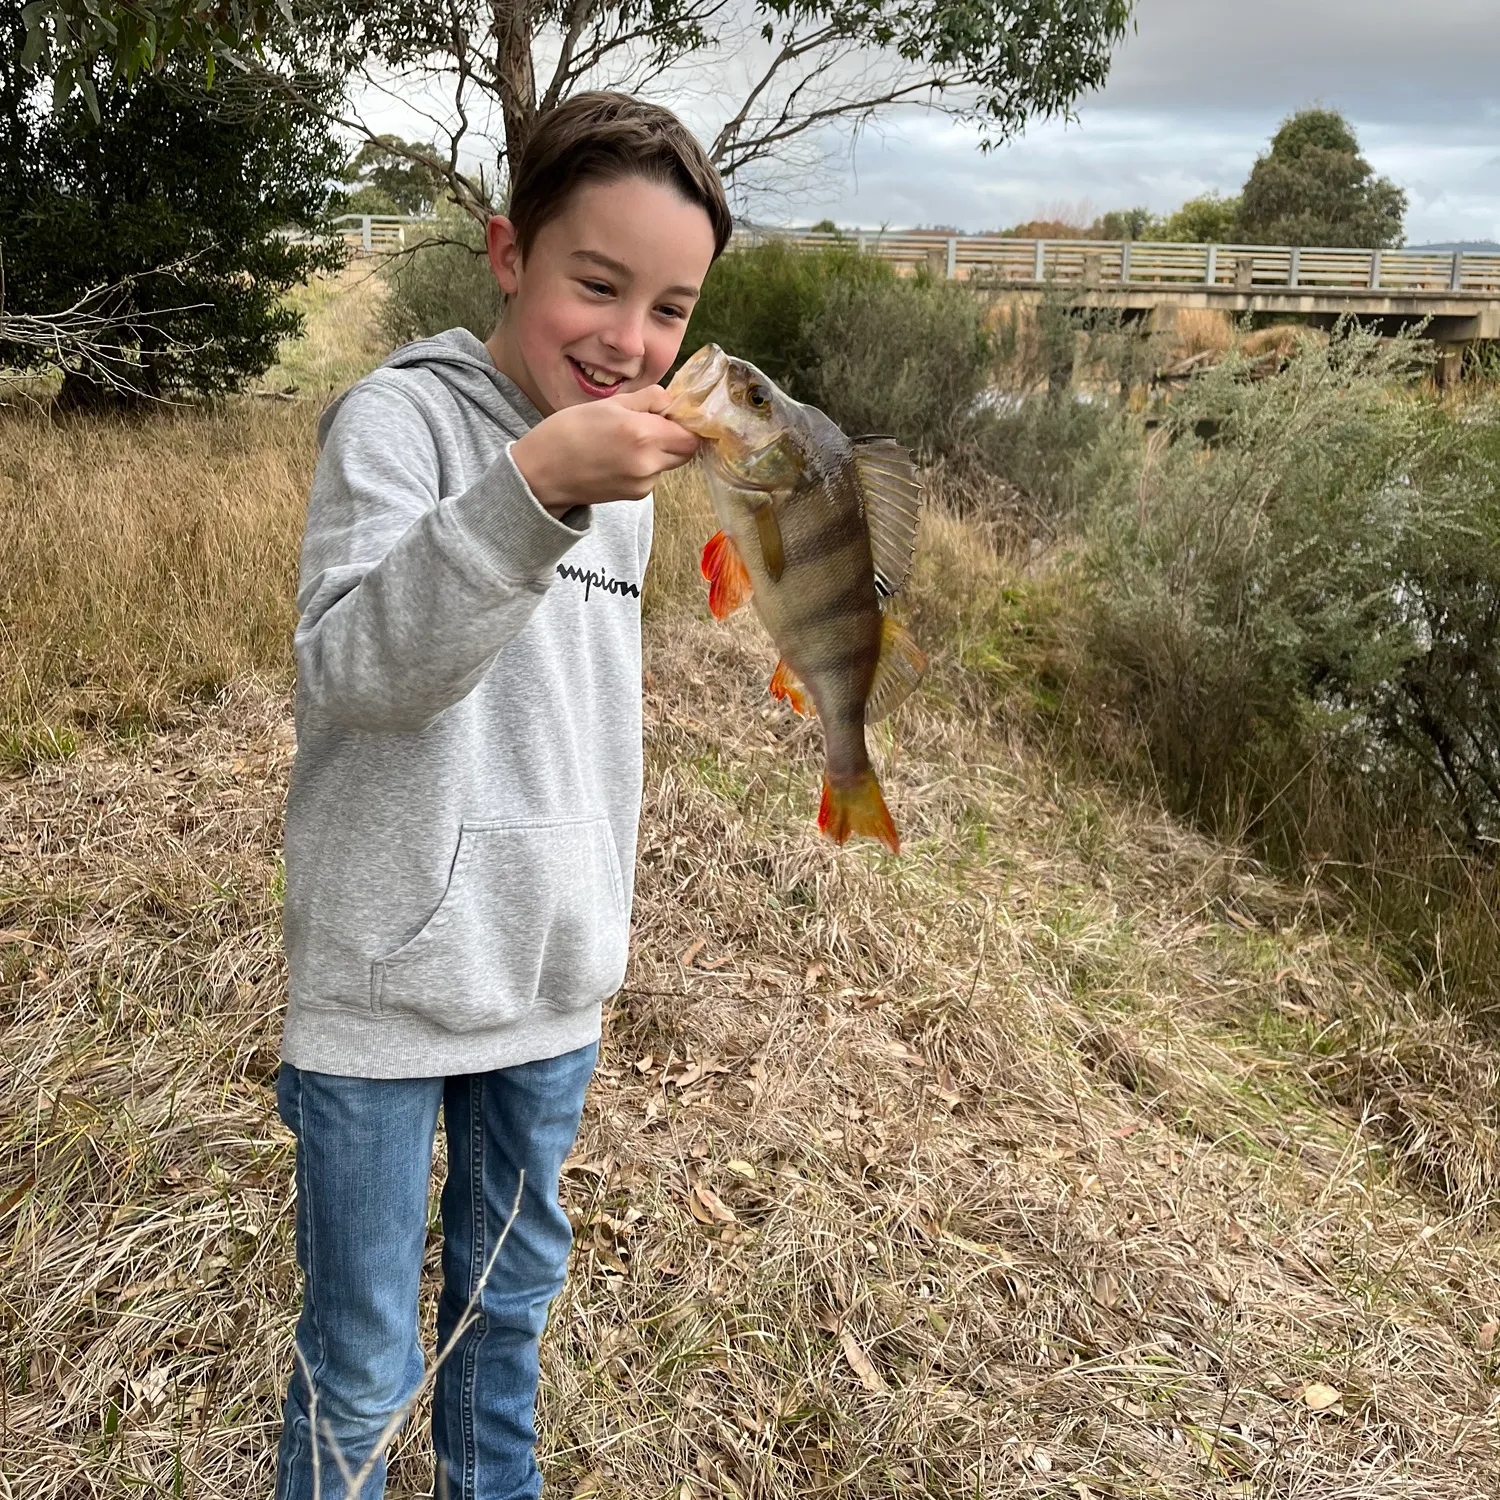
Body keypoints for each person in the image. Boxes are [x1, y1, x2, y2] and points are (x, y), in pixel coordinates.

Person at [273, 92, 732, 1500]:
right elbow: (359, 672)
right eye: (596, 284)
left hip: (546, 982)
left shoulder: (634, 471)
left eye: (668, 308)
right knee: (362, 1364)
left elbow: (580, 723)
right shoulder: (399, 423)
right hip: (383, 987)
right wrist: (530, 486)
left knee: (506, 1327)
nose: (629, 340)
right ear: (506, 253)